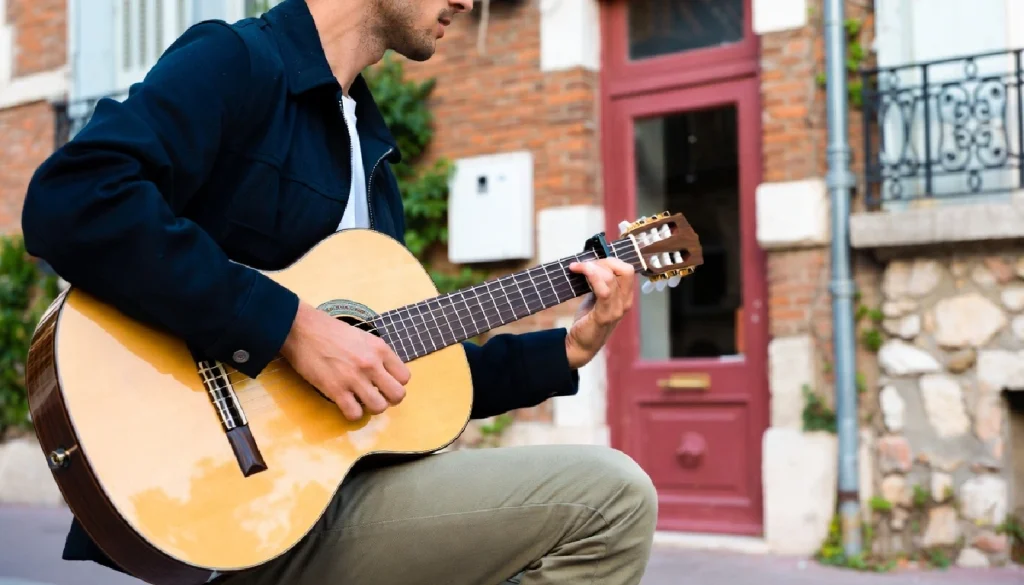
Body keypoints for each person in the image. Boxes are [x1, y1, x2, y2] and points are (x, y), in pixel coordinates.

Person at [20, 0, 658, 583]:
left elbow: (407, 376)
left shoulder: (374, 161)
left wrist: (567, 350)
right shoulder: (238, 62)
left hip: (325, 499)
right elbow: (73, 200)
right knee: (611, 497)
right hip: (229, 494)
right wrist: (291, 328)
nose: (468, 2)